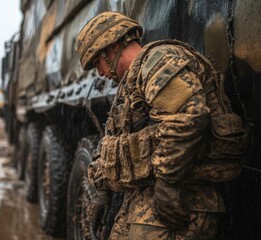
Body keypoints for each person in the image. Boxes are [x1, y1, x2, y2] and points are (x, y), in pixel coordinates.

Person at [75, 12, 247, 239]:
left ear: (112, 47)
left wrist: (168, 184)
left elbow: (188, 116)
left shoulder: (160, 61)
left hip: (180, 198)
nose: (100, 73)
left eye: (98, 62)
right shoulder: (131, 84)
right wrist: (103, 189)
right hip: (143, 197)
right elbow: (114, 144)